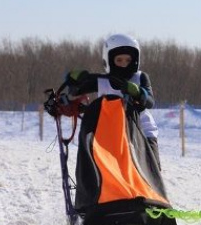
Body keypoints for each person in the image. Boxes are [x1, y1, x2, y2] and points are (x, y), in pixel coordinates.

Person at [67, 34, 161, 167]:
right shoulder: (102, 80)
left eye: (128, 60)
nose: (124, 64)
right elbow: (74, 92)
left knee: (152, 169)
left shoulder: (140, 78)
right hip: (111, 134)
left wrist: (137, 92)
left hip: (143, 131)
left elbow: (150, 102)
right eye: (119, 60)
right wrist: (73, 80)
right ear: (109, 60)